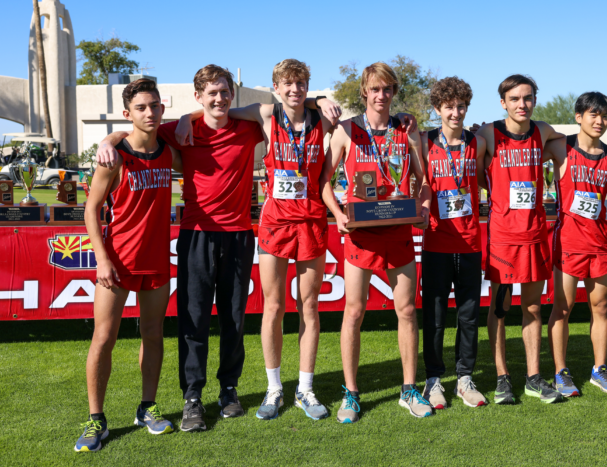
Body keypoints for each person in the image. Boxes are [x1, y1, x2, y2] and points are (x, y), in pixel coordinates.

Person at [96, 65, 264, 432]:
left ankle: (229, 389)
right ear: (198, 97)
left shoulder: (250, 128)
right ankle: (192, 397)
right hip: (196, 234)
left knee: (234, 319)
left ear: (232, 95)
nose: (219, 99)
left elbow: (281, 109)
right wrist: (107, 141)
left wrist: (321, 99)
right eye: (212, 93)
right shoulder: (178, 131)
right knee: (194, 319)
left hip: (238, 234)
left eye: (225, 92)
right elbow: (137, 132)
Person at [174, 59, 341, 421]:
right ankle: (274, 388)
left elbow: (359, 125)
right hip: (273, 224)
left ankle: (306, 390)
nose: (294, 89)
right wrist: (188, 116)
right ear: (276, 87)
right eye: (287, 84)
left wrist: (322, 98)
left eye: (301, 84)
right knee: (273, 307)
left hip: (311, 221)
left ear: (307, 86)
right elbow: (215, 109)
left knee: (308, 308)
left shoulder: (324, 118)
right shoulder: (265, 114)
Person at [320, 62, 432, 423]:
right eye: (375, 89)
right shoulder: (346, 131)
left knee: (406, 310)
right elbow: (323, 183)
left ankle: (409, 389)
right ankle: (351, 394)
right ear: (364, 92)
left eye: (387, 89)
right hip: (361, 234)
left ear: (393, 93)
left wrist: (424, 205)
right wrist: (337, 214)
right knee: (354, 312)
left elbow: (424, 179)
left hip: (398, 231)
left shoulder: (407, 130)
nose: (381, 95)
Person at [76, 79, 179, 451]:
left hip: (155, 261)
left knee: (152, 334)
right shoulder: (114, 156)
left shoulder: (169, 151)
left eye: (154, 106)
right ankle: (96, 419)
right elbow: (91, 210)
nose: (149, 113)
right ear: (127, 114)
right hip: (117, 263)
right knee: (103, 338)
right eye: (141, 108)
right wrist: (102, 258)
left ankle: (147, 408)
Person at [474, 74, 566, 404]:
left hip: (535, 234)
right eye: (514, 99)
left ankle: (533, 377)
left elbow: (575, 141)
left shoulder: (542, 131)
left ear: (534, 101)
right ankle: (502, 378)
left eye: (527, 98)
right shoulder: (488, 133)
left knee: (532, 308)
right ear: (503, 103)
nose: (521, 104)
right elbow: (470, 162)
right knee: (499, 309)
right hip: (502, 236)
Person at [546, 92, 607, 396]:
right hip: (568, 242)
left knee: (601, 307)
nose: (600, 121)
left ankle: (599, 369)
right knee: (562, 309)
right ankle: (560, 372)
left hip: (601, 243)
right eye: (593, 115)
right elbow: (528, 143)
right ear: (579, 116)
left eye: (604, 116)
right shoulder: (560, 147)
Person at [419, 77, 488, 409]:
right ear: (437, 109)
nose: (456, 113)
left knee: (469, 315)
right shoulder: (424, 141)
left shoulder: (479, 142)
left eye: (461, 106)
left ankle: (464, 378)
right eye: (449, 107)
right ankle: (433, 380)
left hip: (471, 243)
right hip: (435, 242)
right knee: (433, 316)